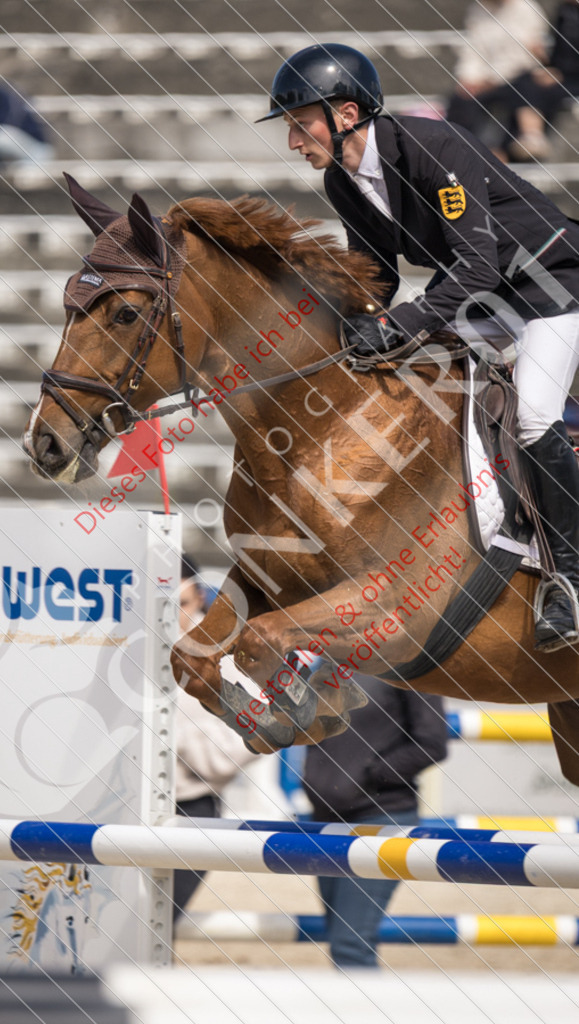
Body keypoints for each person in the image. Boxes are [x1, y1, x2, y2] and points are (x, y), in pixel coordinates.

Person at [257, 43, 579, 653]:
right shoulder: (342, 179)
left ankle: (571, 577)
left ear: (346, 114)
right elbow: (374, 274)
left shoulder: (432, 147)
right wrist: (331, 323)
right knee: (407, 378)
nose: (294, 142)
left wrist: (401, 323)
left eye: (301, 125)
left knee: (535, 417)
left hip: (551, 284)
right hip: (485, 298)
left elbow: (477, 264)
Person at [303, 678, 447, 969]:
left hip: (381, 820)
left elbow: (432, 742)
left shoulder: (409, 662)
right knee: (343, 941)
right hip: (327, 822)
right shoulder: (329, 659)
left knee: (350, 944)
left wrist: (372, 773)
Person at [173, 555, 258, 920]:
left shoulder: (224, 661)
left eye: (182, 604)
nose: (177, 616)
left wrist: (162, 728)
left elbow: (229, 755)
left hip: (189, 809)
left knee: (153, 921)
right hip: (122, 806)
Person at [445, 0, 553, 160]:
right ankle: (460, 151)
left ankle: (520, 144)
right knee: (461, 100)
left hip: (515, 75)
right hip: (484, 80)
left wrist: (491, 79)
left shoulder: (526, 10)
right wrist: (469, 78)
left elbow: (523, 53)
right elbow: (472, 49)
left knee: (525, 89)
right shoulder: (477, 10)